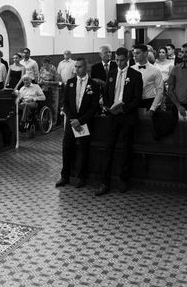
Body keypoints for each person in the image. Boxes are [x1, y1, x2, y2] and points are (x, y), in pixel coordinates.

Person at [95, 48, 143, 195]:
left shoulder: (135, 75)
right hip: (113, 116)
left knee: (126, 149)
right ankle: (105, 182)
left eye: (122, 60)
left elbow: (137, 98)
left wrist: (123, 109)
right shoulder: (112, 73)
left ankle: (123, 180)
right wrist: (110, 107)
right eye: (117, 60)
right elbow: (108, 93)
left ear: (127, 59)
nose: (119, 63)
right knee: (108, 148)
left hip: (127, 116)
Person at [56, 57, 100, 189]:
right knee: (66, 148)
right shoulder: (70, 82)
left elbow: (94, 107)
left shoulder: (93, 84)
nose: (76, 69)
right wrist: (72, 119)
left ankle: (81, 177)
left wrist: (80, 121)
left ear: (85, 67)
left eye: (79, 67)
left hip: (84, 122)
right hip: (71, 122)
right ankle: (65, 176)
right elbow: (66, 104)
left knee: (83, 149)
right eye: (75, 67)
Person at [131, 44, 164, 120]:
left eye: (138, 53)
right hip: (134, 103)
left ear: (145, 53)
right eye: (134, 53)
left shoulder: (155, 70)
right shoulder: (131, 69)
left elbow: (160, 90)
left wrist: (152, 108)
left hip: (150, 101)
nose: (135, 56)